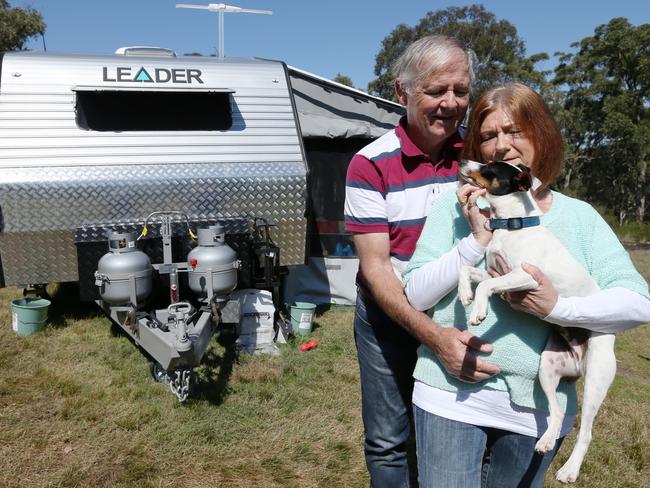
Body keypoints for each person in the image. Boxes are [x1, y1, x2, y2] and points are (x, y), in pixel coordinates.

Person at [403, 83, 650, 487]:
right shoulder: (454, 207)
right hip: (450, 397)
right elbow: (415, 294)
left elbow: (639, 305)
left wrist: (557, 309)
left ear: (541, 134)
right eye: (487, 136)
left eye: (514, 131)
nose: (501, 146)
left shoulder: (580, 218)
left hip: (536, 415)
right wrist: (476, 241)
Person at [343, 35, 500, 487]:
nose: (451, 104)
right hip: (387, 314)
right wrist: (432, 336)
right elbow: (375, 269)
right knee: (390, 440)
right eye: (436, 91)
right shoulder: (369, 165)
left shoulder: (479, 156)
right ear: (403, 92)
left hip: (462, 310)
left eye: (461, 90)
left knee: (470, 429)